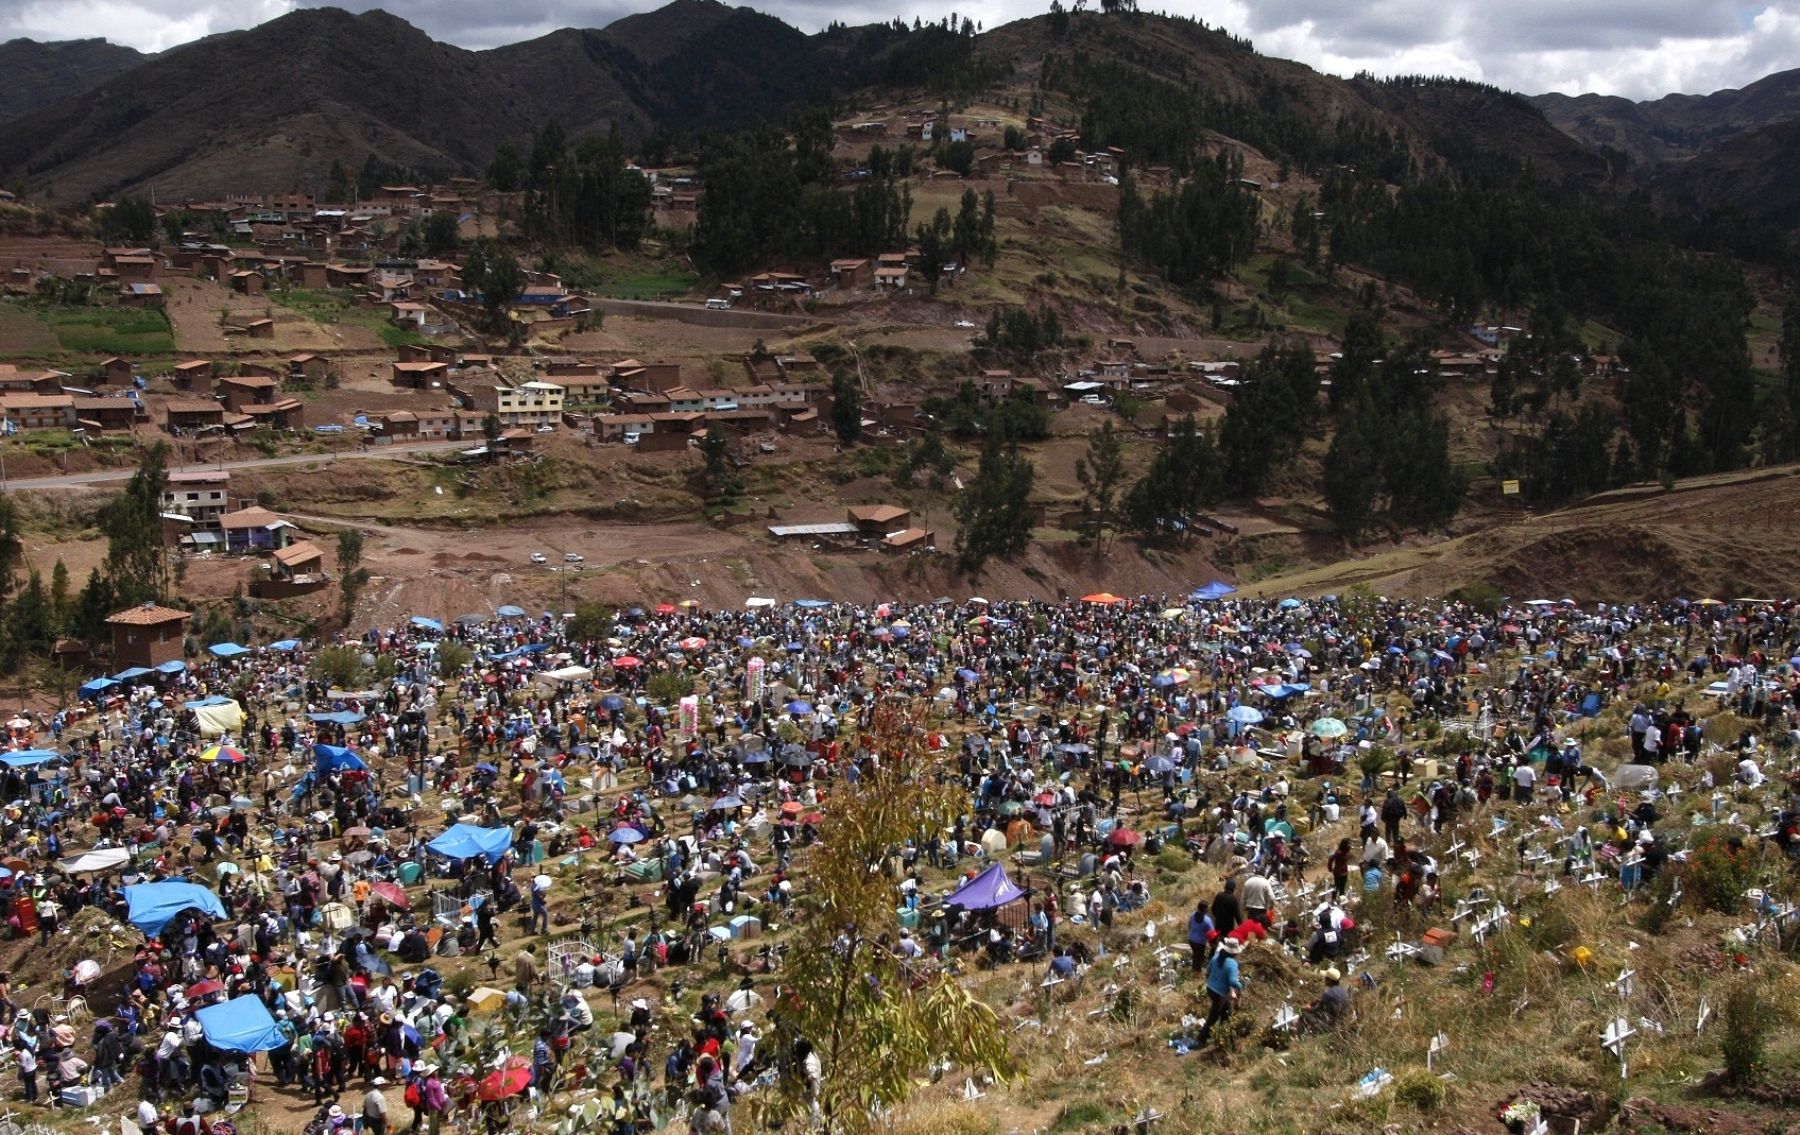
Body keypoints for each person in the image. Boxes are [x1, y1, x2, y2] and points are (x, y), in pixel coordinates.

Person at [1197, 936, 1242, 1045]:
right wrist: (1241, 985)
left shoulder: (1216, 957)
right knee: (1222, 1014)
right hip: (1220, 993)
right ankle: (1205, 1037)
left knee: (1222, 1014)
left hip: (1210, 989)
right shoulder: (1232, 963)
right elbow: (1232, 981)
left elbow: (1207, 972)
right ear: (1234, 952)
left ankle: (1220, 1038)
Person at [1300, 968, 1350, 1033]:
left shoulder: (1327, 993)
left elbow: (1316, 1010)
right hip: (1343, 1021)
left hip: (1332, 1026)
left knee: (1304, 1014)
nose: (1324, 979)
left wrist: (1304, 1008)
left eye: (1325, 978)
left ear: (1329, 980)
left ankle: (1304, 1035)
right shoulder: (1344, 990)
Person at [1186, 900, 1214, 973]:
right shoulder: (1207, 920)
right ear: (1205, 909)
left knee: (1196, 956)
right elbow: (1212, 933)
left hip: (1191, 940)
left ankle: (1194, 971)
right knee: (1198, 959)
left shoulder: (1193, 915)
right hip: (1200, 943)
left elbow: (1189, 926)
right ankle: (1196, 973)